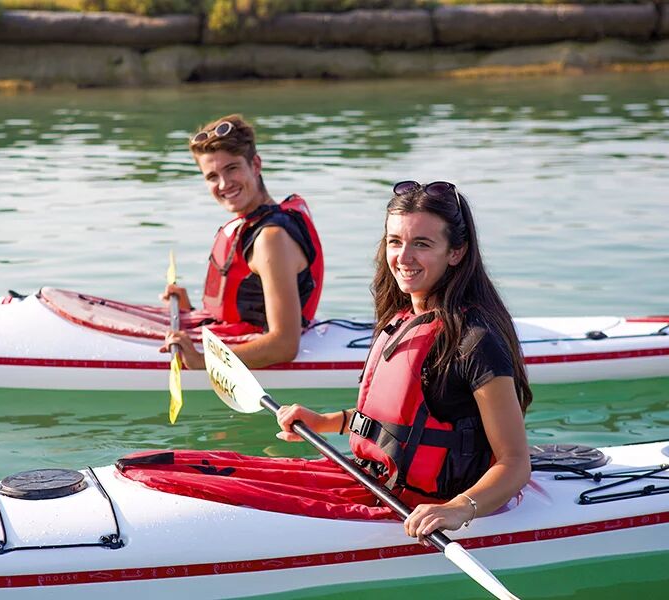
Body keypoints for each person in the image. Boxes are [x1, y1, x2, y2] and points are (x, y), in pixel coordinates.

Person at [276, 180, 532, 545]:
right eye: (395, 241)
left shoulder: (475, 341)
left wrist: (458, 508)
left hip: (428, 509)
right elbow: (397, 426)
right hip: (375, 485)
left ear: (456, 252)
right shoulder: (402, 317)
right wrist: (325, 421)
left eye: (422, 244)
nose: (403, 257)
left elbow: (515, 463)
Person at [160, 114, 324, 369]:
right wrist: (189, 311)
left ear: (255, 165)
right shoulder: (252, 223)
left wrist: (203, 362)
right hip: (239, 335)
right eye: (212, 176)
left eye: (232, 168)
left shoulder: (272, 238)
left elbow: (284, 345)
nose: (224, 184)